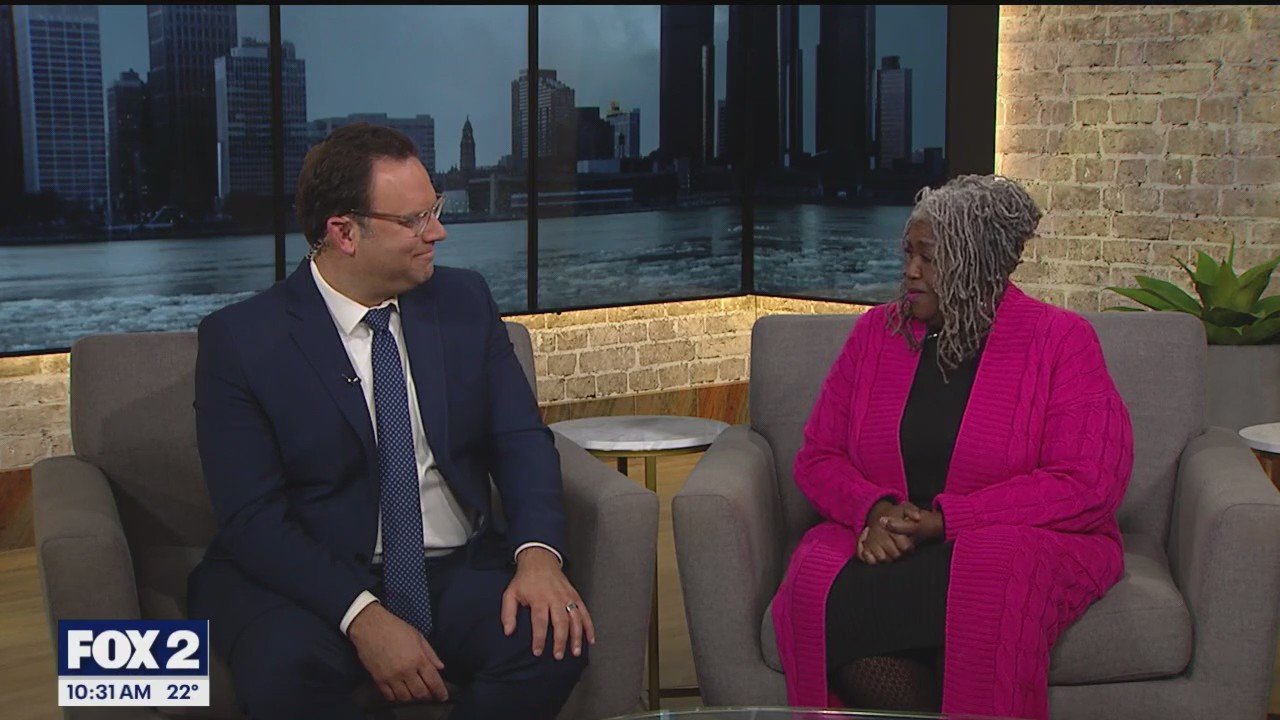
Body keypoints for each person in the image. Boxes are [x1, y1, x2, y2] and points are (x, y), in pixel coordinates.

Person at [187, 123, 591, 720]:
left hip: (454, 568)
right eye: (414, 221)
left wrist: (537, 556)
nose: (439, 232)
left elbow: (521, 440)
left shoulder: (465, 301)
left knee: (553, 640)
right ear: (344, 232)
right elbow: (253, 518)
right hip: (314, 580)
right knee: (283, 672)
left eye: (435, 210)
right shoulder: (242, 342)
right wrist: (362, 616)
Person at [770, 174, 1134, 720]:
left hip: (1012, 539)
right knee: (817, 590)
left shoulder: (1061, 341)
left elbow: (1089, 483)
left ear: (977, 263)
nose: (911, 271)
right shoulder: (876, 335)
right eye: (909, 254)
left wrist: (947, 522)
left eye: (930, 257)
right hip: (894, 538)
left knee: (989, 577)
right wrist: (875, 511)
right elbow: (819, 456)